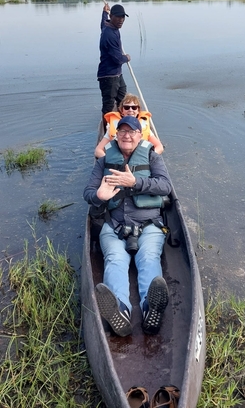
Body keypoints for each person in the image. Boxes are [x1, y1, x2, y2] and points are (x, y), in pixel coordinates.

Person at [83, 115, 171, 337]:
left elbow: (165, 186)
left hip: (149, 223)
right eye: (122, 131)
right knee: (114, 259)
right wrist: (99, 196)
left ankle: (150, 308)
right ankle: (120, 309)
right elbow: (88, 193)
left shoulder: (151, 157)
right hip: (114, 225)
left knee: (149, 257)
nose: (127, 135)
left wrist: (136, 182)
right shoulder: (104, 161)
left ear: (139, 135)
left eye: (131, 131)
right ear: (116, 135)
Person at [94, 93, 164, 158]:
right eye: (127, 107)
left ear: (138, 110)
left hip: (140, 160)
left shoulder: (144, 125)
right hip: (118, 161)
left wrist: (147, 158)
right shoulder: (113, 126)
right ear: (122, 110)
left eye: (134, 107)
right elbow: (98, 151)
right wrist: (111, 161)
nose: (130, 110)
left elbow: (159, 147)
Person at [97, 3, 130, 115]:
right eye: (118, 17)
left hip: (117, 74)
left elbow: (103, 23)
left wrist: (104, 12)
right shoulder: (109, 35)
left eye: (123, 17)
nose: (121, 20)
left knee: (122, 96)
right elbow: (118, 59)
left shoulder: (108, 25)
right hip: (109, 76)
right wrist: (126, 58)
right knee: (109, 105)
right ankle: (107, 129)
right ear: (112, 17)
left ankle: (122, 123)